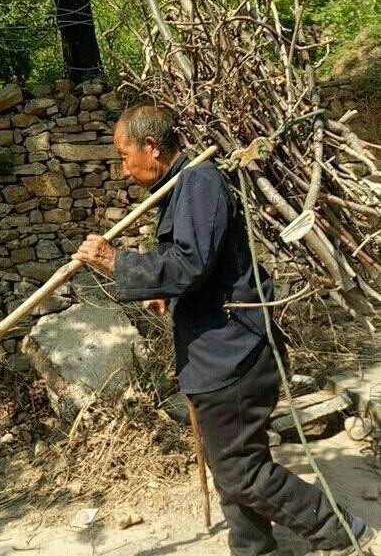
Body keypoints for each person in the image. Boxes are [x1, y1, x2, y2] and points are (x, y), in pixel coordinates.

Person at [72, 104, 376, 556]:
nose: (122, 167)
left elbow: (189, 262)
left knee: (240, 471)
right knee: (235, 462)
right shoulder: (181, 188)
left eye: (123, 154)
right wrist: (167, 293)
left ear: (152, 148)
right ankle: (254, 548)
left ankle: (342, 531)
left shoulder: (199, 180)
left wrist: (118, 262)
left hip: (234, 353)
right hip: (217, 351)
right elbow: (205, 267)